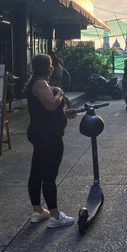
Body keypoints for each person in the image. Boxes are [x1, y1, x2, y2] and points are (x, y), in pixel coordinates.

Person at [25, 54, 78, 228]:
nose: (52, 68)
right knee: (49, 174)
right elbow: (50, 105)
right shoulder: (40, 83)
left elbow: (44, 111)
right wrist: (60, 94)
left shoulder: (41, 84)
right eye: (50, 65)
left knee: (38, 171)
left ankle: (39, 211)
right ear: (46, 67)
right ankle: (55, 216)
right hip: (47, 136)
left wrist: (63, 114)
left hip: (43, 132)